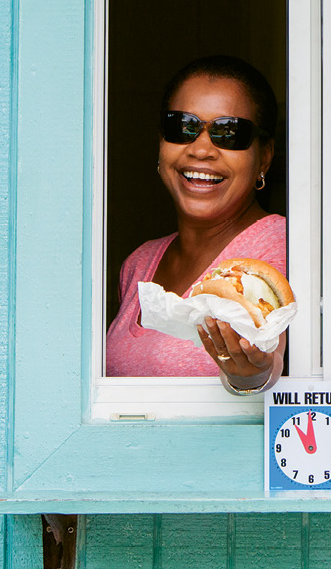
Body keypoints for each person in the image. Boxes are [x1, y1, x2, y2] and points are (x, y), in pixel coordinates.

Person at [105, 55, 287, 392]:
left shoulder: (282, 247)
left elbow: (270, 361)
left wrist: (252, 374)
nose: (201, 149)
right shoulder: (139, 263)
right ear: (161, 143)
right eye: (183, 127)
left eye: (229, 133)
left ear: (263, 157)